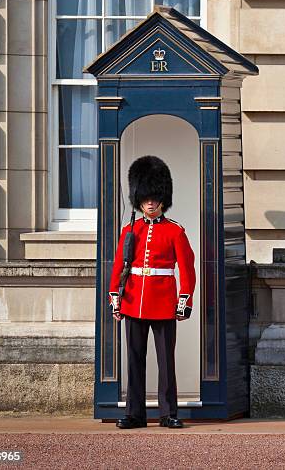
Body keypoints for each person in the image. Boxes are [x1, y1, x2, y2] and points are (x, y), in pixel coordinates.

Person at [108, 155, 196, 429]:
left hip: (164, 302)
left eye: (154, 197)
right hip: (134, 301)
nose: (149, 202)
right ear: (139, 198)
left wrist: (184, 300)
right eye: (145, 197)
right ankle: (136, 414)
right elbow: (119, 266)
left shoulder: (175, 232)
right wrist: (115, 298)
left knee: (165, 362)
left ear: (161, 199)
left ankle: (168, 413)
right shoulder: (130, 230)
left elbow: (187, 268)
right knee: (134, 361)